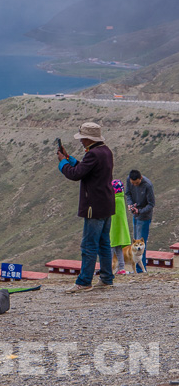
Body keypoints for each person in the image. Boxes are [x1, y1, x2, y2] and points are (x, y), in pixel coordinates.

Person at [57, 122, 115, 293]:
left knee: (89, 245)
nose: (81, 141)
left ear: (89, 139)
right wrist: (71, 159)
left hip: (94, 207)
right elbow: (85, 168)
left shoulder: (93, 155)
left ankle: (84, 281)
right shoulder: (105, 151)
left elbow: (76, 174)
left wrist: (62, 163)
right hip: (106, 204)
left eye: (83, 138)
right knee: (104, 243)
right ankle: (106, 278)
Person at [125, 169, 155, 273]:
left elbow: (151, 204)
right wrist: (130, 204)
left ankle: (141, 270)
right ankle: (137, 269)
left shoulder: (148, 185)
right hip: (135, 215)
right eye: (133, 183)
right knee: (135, 242)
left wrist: (140, 211)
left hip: (144, 216)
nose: (135, 185)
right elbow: (128, 193)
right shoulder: (129, 180)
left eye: (136, 183)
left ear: (140, 178)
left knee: (141, 244)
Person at [110, 180, 131, 275]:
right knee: (118, 248)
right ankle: (122, 268)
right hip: (121, 228)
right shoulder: (122, 199)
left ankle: (108, 269)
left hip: (112, 227)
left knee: (110, 247)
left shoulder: (112, 200)